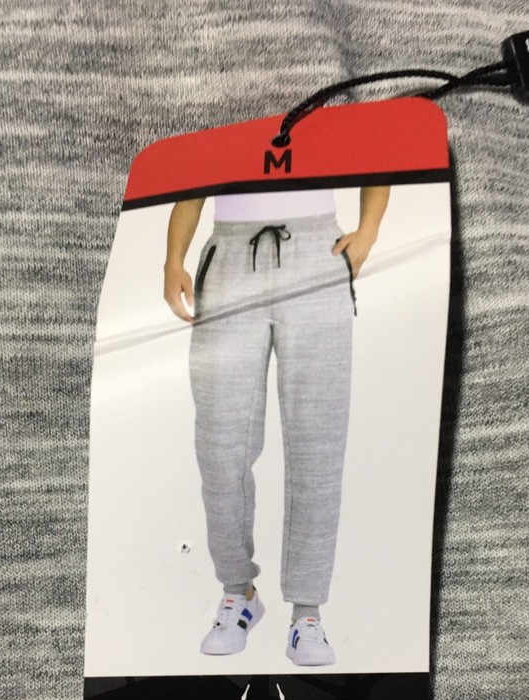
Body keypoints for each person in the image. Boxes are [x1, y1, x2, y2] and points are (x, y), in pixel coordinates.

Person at [164, 186, 389, 665]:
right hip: (229, 255)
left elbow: (382, 150)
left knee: (318, 441)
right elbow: (190, 171)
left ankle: (307, 614)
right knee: (220, 443)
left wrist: (369, 229)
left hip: (317, 252)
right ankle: (238, 592)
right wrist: (173, 259)